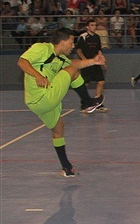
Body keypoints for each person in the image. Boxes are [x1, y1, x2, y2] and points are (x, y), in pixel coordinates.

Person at [17, 28, 106, 177]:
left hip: (36, 103)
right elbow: (22, 62)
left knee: (58, 128)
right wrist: (37, 75)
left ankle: (67, 168)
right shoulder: (42, 48)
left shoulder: (60, 59)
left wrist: (93, 62)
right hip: (42, 96)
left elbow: (74, 64)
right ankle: (88, 102)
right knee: (71, 71)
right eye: (71, 42)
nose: (72, 46)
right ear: (63, 41)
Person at [76, 19, 109, 112]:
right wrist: (84, 61)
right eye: (92, 25)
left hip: (96, 63)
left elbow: (99, 50)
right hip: (87, 64)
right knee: (85, 84)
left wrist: (102, 62)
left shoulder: (97, 37)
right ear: (87, 27)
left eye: (95, 25)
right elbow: (79, 50)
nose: (94, 27)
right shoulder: (83, 37)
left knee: (101, 82)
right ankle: (85, 104)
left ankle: (98, 103)